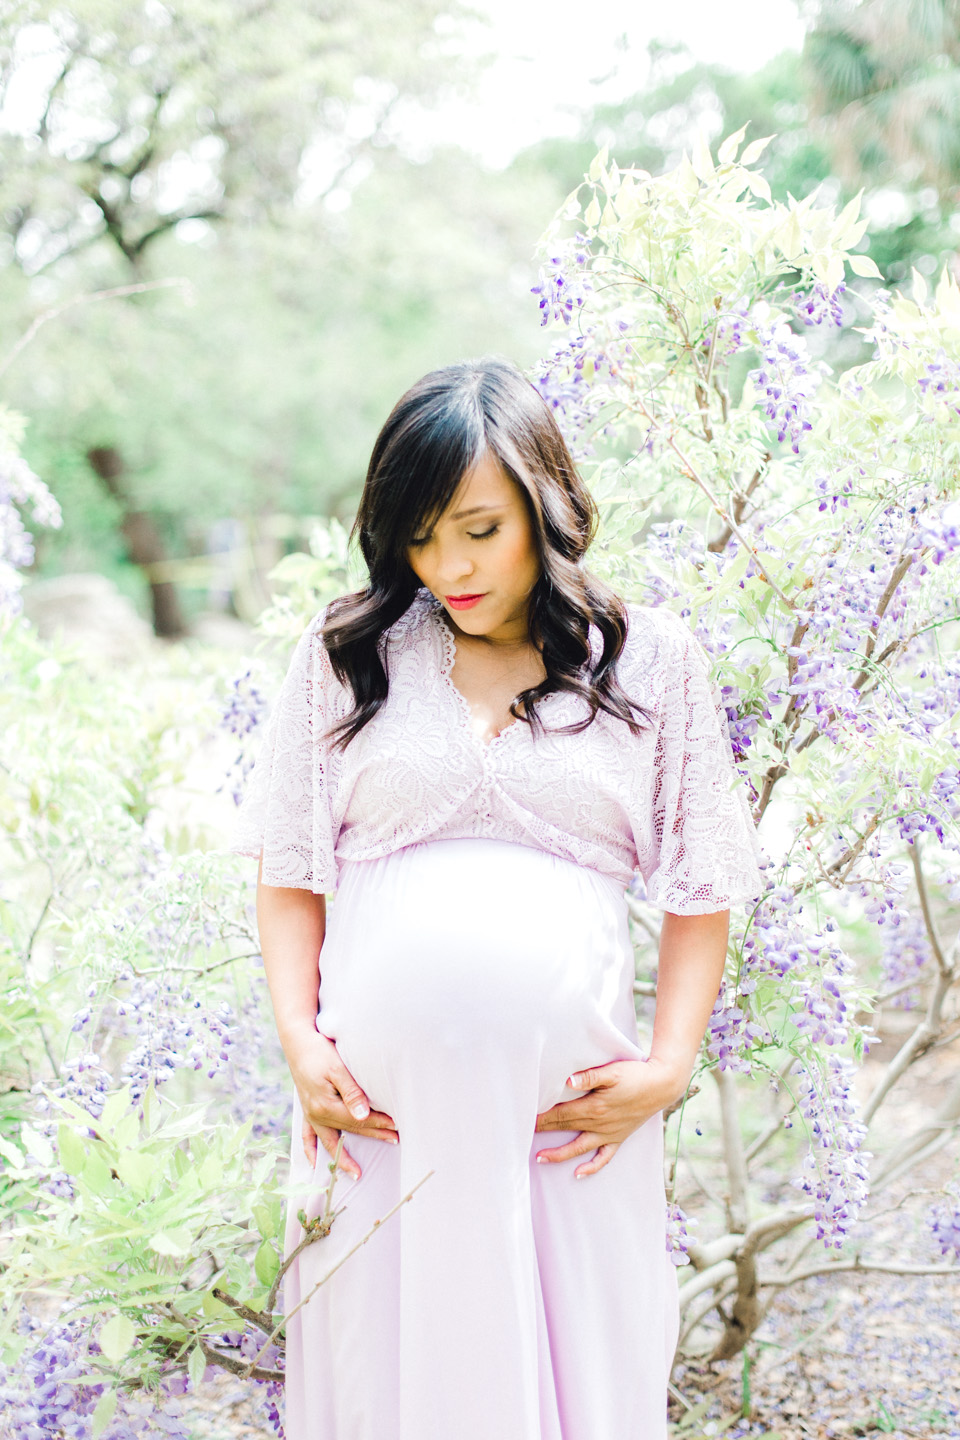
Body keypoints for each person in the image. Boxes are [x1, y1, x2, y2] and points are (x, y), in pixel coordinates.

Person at [230, 358, 763, 1440]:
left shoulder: (647, 660)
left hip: (564, 1128)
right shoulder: (349, 656)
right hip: (374, 1124)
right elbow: (289, 873)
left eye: (479, 528)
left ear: (546, 505)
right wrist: (299, 1039)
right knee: (382, 1370)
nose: (448, 565)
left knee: (576, 1368)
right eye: (420, 535)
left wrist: (666, 1069)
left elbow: (704, 888)